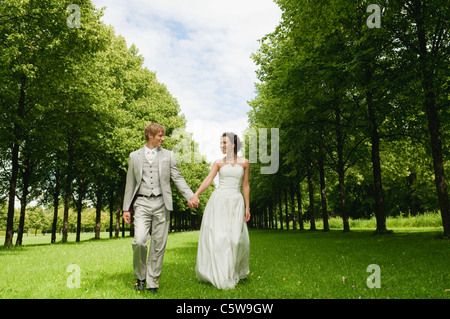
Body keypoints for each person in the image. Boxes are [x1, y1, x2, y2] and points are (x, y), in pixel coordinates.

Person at [122, 123, 199, 293]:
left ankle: (152, 282)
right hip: (141, 203)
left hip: (162, 203)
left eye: (163, 136)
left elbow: (177, 178)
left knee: (159, 244)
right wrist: (126, 208)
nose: (163, 139)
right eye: (160, 136)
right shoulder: (134, 156)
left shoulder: (168, 156)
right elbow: (130, 183)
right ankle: (140, 277)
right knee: (140, 241)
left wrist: (190, 196)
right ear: (149, 135)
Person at [191, 132, 250, 289]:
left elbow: (245, 185)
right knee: (221, 238)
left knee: (236, 239)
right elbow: (208, 180)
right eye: (221, 143)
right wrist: (195, 194)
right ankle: (222, 274)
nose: (222, 146)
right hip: (219, 202)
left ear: (233, 144)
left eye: (225, 143)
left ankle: (235, 271)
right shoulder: (218, 163)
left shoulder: (245, 163)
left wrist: (247, 206)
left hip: (236, 202)